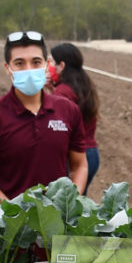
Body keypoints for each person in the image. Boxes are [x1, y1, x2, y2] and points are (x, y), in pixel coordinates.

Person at [0, 31, 88, 199]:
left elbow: (80, 165)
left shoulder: (68, 110)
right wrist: (12, 212)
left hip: (58, 222)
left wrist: (69, 202)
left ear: (46, 65)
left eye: (36, 62)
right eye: (19, 63)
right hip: (9, 223)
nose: (28, 69)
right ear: (7, 69)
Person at [49, 42, 101, 190]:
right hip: (91, 153)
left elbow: (58, 126)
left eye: (52, 62)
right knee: (78, 205)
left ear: (62, 66)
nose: (49, 66)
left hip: (74, 158)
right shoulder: (84, 85)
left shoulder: (62, 92)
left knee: (66, 208)